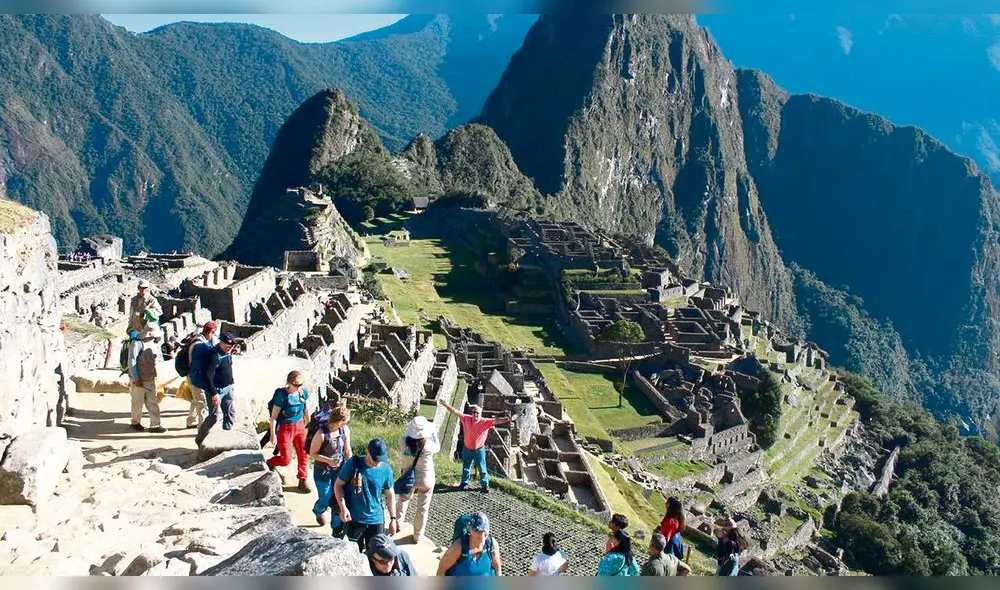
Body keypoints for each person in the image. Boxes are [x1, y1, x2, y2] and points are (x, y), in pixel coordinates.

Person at [436, 399, 517, 493]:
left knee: (482, 468)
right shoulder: (466, 418)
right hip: (467, 449)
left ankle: (484, 486)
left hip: (479, 450)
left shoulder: (485, 422)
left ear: (480, 414)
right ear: (472, 413)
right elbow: (455, 412)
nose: (476, 415)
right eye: (474, 412)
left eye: (477, 413)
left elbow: (497, 421)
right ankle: (464, 484)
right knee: (466, 467)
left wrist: (509, 419)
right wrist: (446, 404)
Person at [334, 438, 397, 553]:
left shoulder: (386, 469)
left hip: (376, 520)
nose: (378, 462)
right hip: (354, 519)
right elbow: (338, 485)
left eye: (380, 459)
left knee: (376, 554)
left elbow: (390, 494)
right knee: (354, 553)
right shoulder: (353, 464)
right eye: (375, 459)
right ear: (368, 452)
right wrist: (343, 508)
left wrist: (393, 518)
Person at [395, 416, 440, 544]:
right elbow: (438, 446)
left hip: (408, 477)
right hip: (426, 479)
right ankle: (417, 535)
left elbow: (407, 437)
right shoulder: (429, 446)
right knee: (422, 508)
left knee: (403, 499)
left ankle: (398, 522)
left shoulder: (402, 441)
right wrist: (433, 431)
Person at [266, 371, 312, 493]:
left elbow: (306, 409)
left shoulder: (303, 393)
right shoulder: (282, 396)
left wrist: (310, 425)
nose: (299, 387)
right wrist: (273, 434)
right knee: (286, 459)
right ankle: (271, 463)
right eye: (296, 385)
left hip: (300, 426)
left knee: (303, 455)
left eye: (301, 384)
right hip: (286, 428)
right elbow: (274, 417)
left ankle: (302, 480)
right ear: (289, 383)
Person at [310, 405, 352, 530]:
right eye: (345, 421)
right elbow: (313, 453)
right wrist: (328, 460)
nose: (346, 424)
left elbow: (347, 449)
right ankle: (318, 510)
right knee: (325, 498)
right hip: (322, 472)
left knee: (337, 499)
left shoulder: (344, 430)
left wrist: (350, 461)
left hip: (340, 471)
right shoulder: (321, 434)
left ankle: (336, 527)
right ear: (339, 421)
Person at [193, 332, 237, 446]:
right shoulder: (214, 355)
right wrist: (214, 393)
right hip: (216, 390)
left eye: (231, 346)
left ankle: (227, 436)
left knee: (230, 412)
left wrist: (231, 382)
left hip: (228, 388)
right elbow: (208, 375)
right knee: (214, 416)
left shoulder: (227, 352)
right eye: (228, 345)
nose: (230, 348)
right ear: (221, 343)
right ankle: (200, 438)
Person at [437, 512, 502, 576]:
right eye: (477, 530)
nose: (482, 534)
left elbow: (497, 566)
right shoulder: (458, 547)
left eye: (485, 530)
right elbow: (441, 570)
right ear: (469, 530)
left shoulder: (491, 544)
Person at [125, 328, 165, 433]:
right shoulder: (136, 343)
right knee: (137, 402)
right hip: (139, 379)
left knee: (153, 402)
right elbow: (132, 362)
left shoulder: (153, 344)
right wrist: (136, 378)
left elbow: (155, 360)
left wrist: (156, 373)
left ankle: (155, 425)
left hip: (150, 378)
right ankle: (135, 422)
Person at [184, 321, 217, 429]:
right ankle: (203, 429)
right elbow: (197, 364)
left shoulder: (197, 339)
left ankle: (191, 421)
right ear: (210, 332)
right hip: (196, 376)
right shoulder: (199, 345)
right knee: (202, 403)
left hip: (191, 374)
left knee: (196, 399)